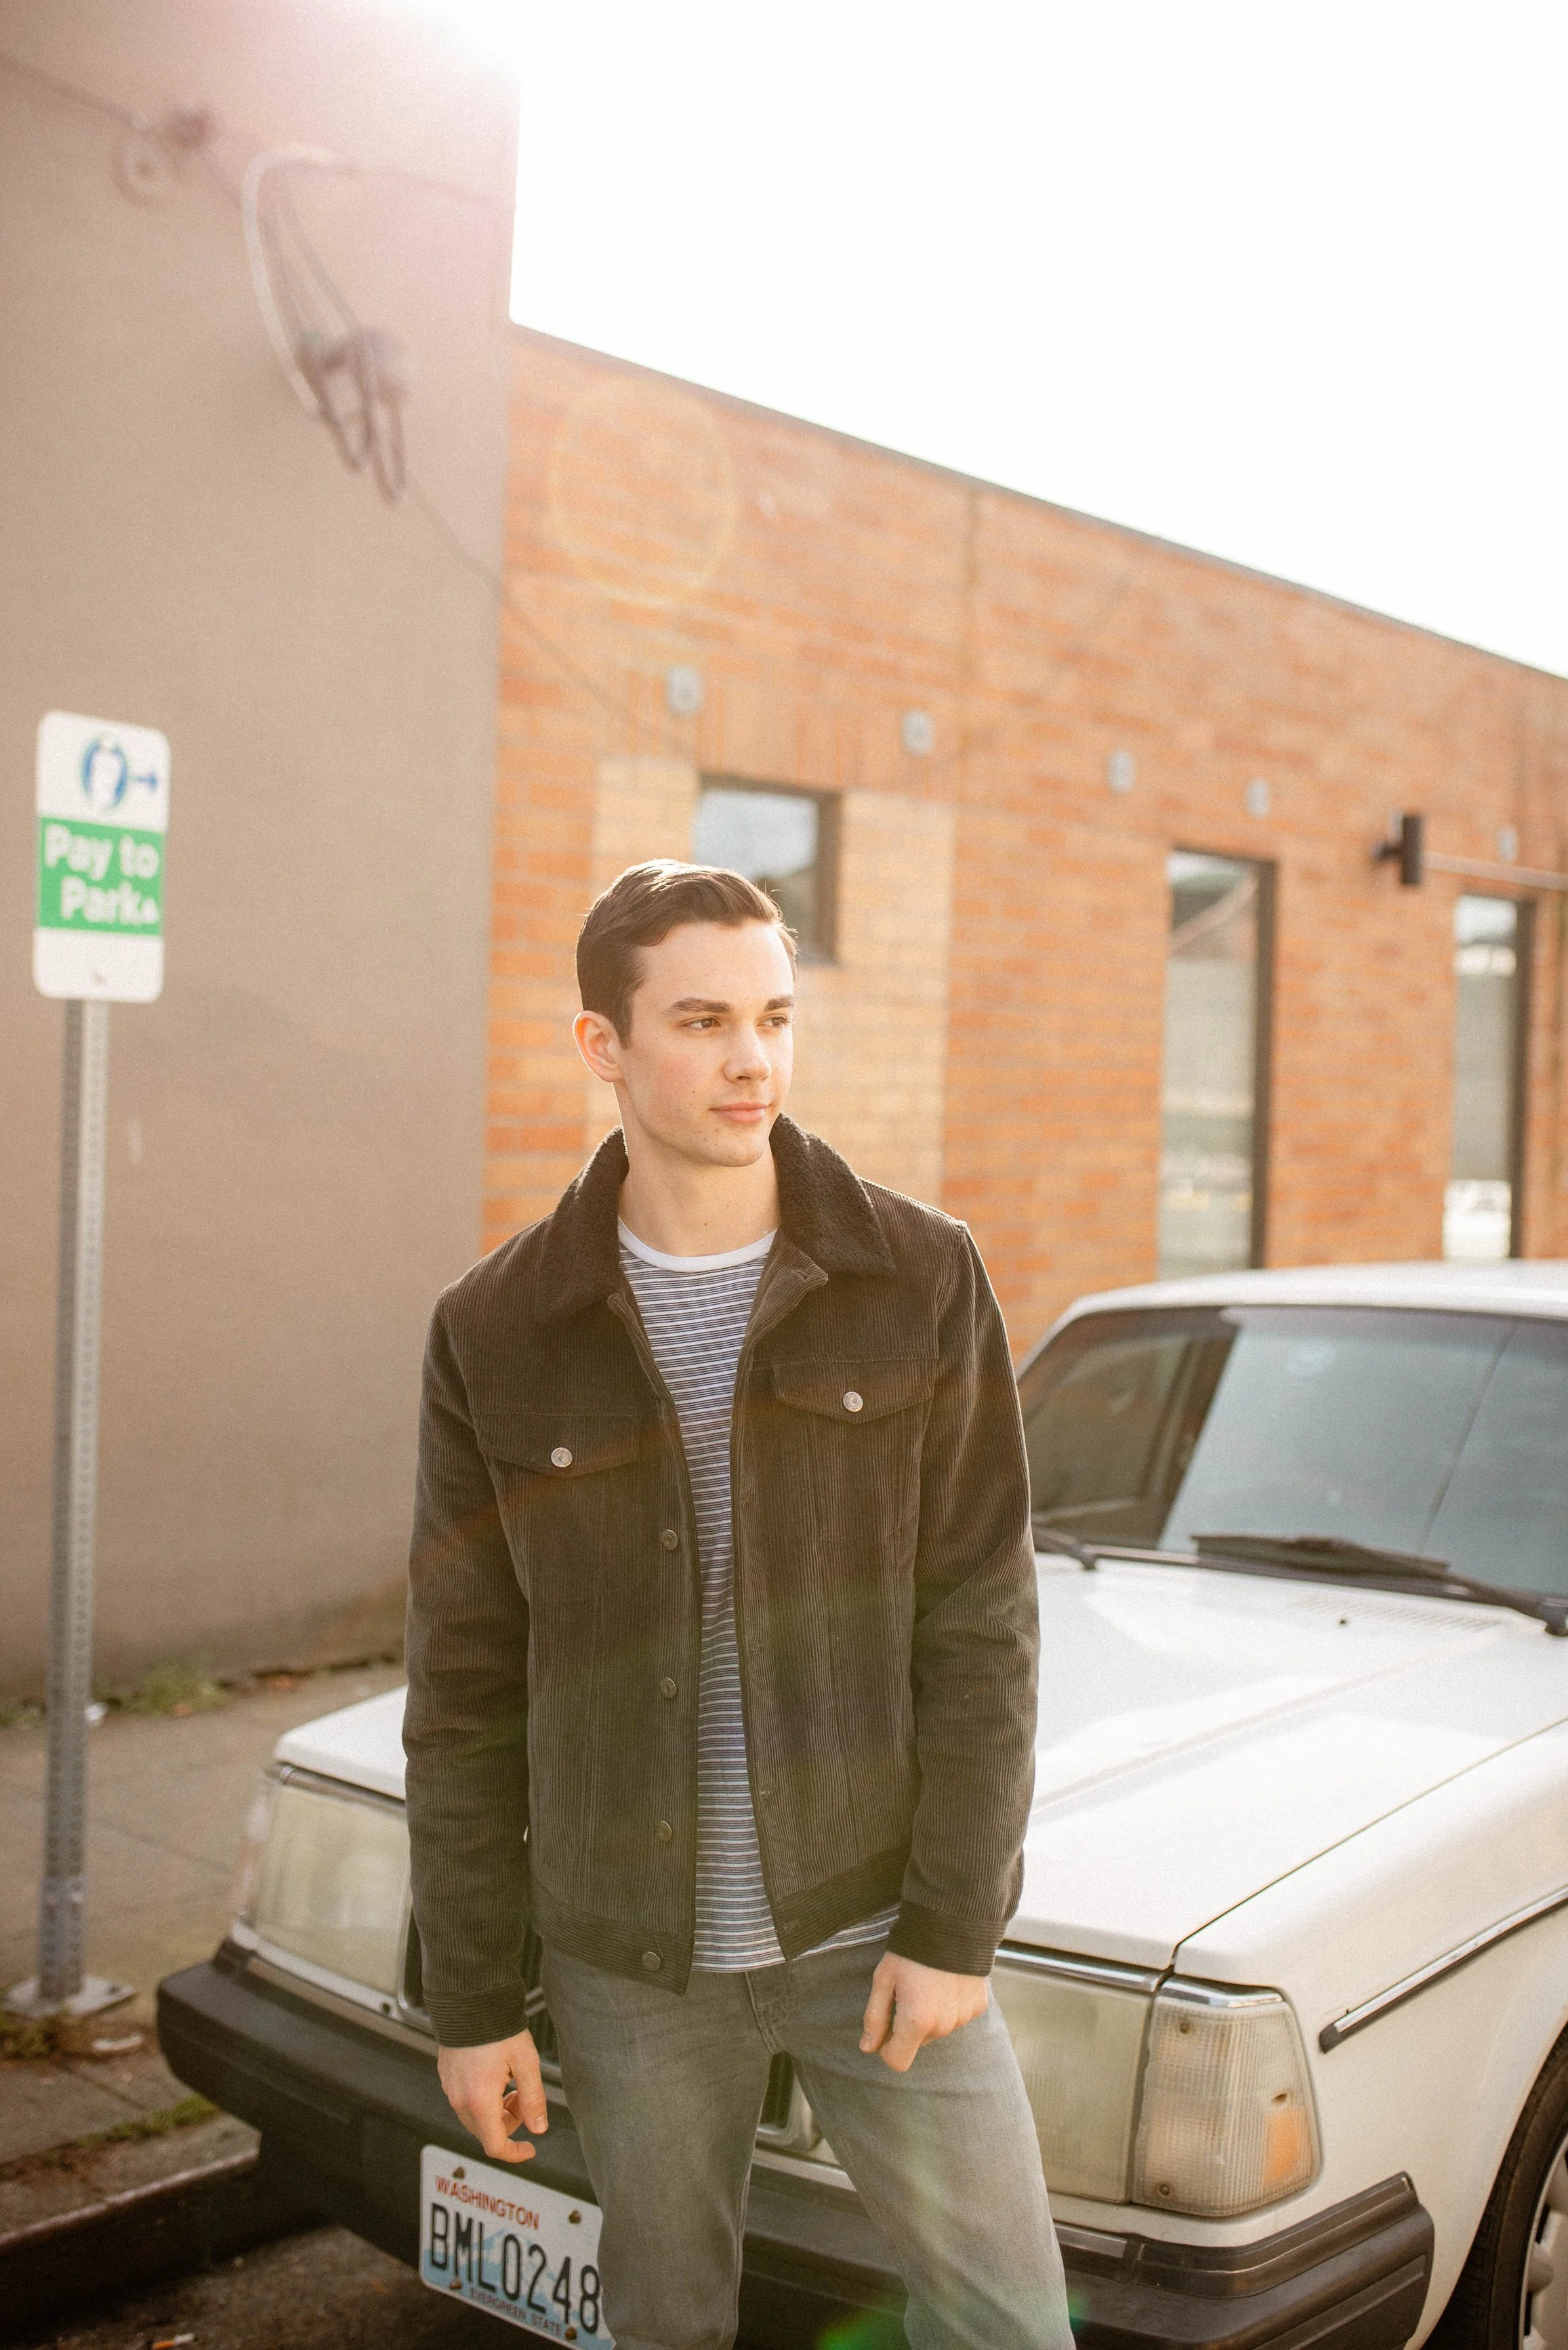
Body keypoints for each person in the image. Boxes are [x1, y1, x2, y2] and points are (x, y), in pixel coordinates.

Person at [404, 859, 1070, 2350]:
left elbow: (982, 1628)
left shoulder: (917, 1274)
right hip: (624, 1964)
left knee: (1006, 2328)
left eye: (772, 1016)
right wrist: (475, 1997)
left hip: (877, 1932)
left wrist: (956, 1924)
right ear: (603, 1047)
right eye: (701, 1020)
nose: (750, 1059)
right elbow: (460, 1692)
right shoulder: (495, 1329)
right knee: (665, 2331)